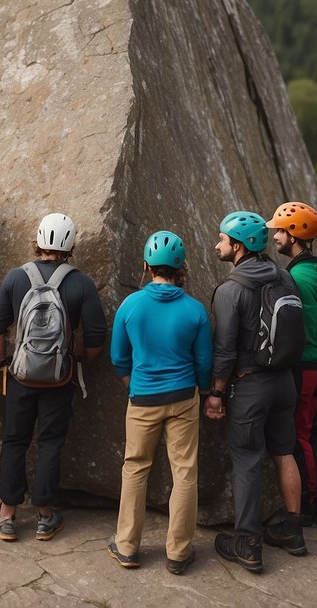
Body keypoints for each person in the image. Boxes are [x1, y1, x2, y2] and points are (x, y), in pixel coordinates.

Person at [0, 213, 107, 542]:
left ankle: (8, 515)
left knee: (14, 440)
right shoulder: (80, 284)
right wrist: (75, 362)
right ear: (71, 245)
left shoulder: (15, 278)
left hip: (21, 376)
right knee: (50, 442)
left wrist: (2, 364)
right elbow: (96, 338)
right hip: (59, 378)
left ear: (38, 241)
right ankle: (44, 516)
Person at [207, 211, 307, 574]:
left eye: (222, 239)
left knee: (247, 461)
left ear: (237, 246)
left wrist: (216, 392)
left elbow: (225, 349)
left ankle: (248, 542)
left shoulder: (231, 289)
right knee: (284, 451)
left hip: (250, 386)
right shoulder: (283, 276)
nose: (217, 245)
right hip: (285, 382)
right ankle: (293, 530)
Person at [108, 231, 212, 575]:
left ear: (146, 266)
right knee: (184, 473)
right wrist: (199, 390)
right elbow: (204, 363)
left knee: (136, 468)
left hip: (142, 397)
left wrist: (132, 384)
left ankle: (127, 547)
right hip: (183, 397)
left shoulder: (130, 305)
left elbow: (118, 357)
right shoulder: (195, 310)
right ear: (181, 268)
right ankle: (179, 553)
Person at [267, 201, 317, 531]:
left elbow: (295, 326)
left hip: (303, 364)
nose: (275, 236)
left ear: (294, 235)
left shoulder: (297, 277)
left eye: (279, 231)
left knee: (301, 436)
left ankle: (308, 506)